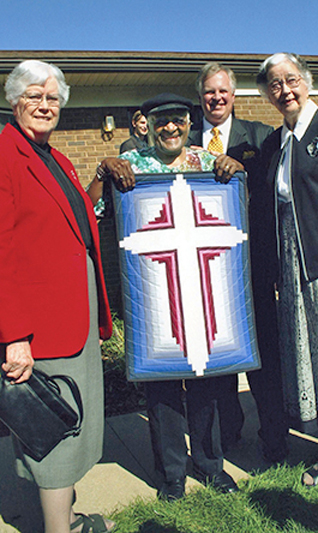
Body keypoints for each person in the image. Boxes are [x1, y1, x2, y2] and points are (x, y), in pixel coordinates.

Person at [88, 92, 244, 501]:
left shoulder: (208, 163)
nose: (170, 128)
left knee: (206, 382)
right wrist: (104, 172)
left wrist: (236, 168)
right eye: (161, 121)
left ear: (190, 123)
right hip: (155, 293)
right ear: (148, 125)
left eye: (177, 119)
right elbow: (91, 210)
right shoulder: (131, 166)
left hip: (203, 289)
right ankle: (171, 472)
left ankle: (210, 464)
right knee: (162, 389)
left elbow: (240, 204)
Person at [0, 60, 115, 533]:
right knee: (54, 429)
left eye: (53, 99)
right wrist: (14, 336)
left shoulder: (56, 156)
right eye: (34, 96)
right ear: (14, 101)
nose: (45, 105)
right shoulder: (6, 154)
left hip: (73, 316)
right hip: (40, 325)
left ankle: (66, 516)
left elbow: (76, 220)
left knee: (75, 420)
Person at [188, 61, 289, 462]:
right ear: (201, 97)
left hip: (253, 271)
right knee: (219, 365)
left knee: (265, 363)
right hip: (205, 276)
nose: (216, 98)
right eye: (209, 92)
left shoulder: (262, 137)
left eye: (223, 92)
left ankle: (275, 440)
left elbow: (275, 190)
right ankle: (228, 433)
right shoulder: (186, 139)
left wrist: (243, 169)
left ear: (234, 95)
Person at [256, 53, 318, 486]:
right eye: (275, 85)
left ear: (307, 81)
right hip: (296, 265)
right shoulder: (279, 140)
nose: (285, 91)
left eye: (291, 80)